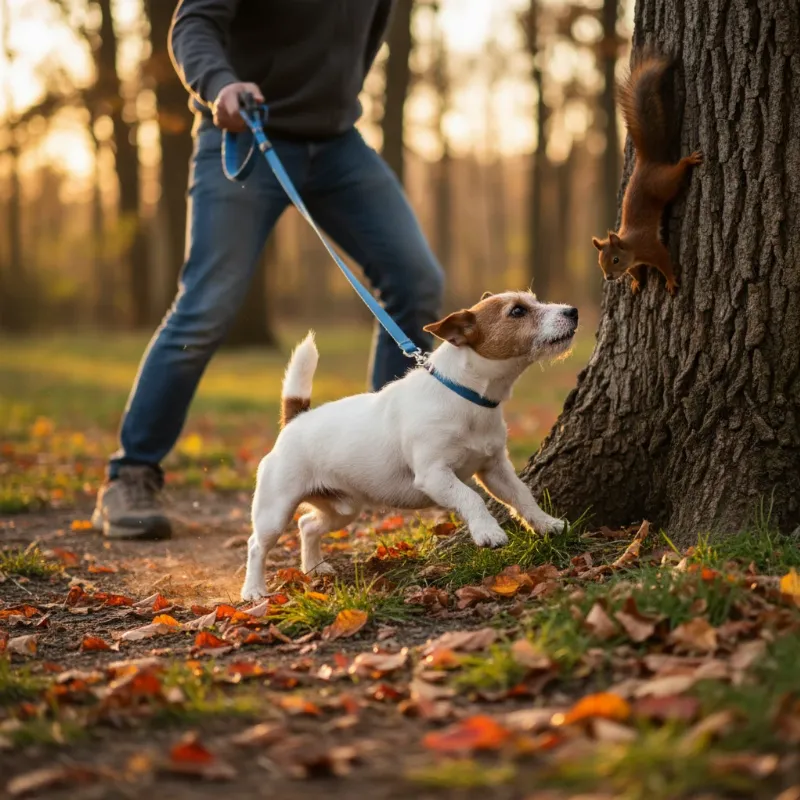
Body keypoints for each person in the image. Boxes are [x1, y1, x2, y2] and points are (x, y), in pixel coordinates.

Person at [91, 0, 444, 541]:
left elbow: (363, 40)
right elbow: (194, 22)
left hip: (337, 145)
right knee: (208, 304)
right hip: (243, 133)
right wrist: (220, 84)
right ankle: (131, 475)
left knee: (415, 279)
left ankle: (393, 458)